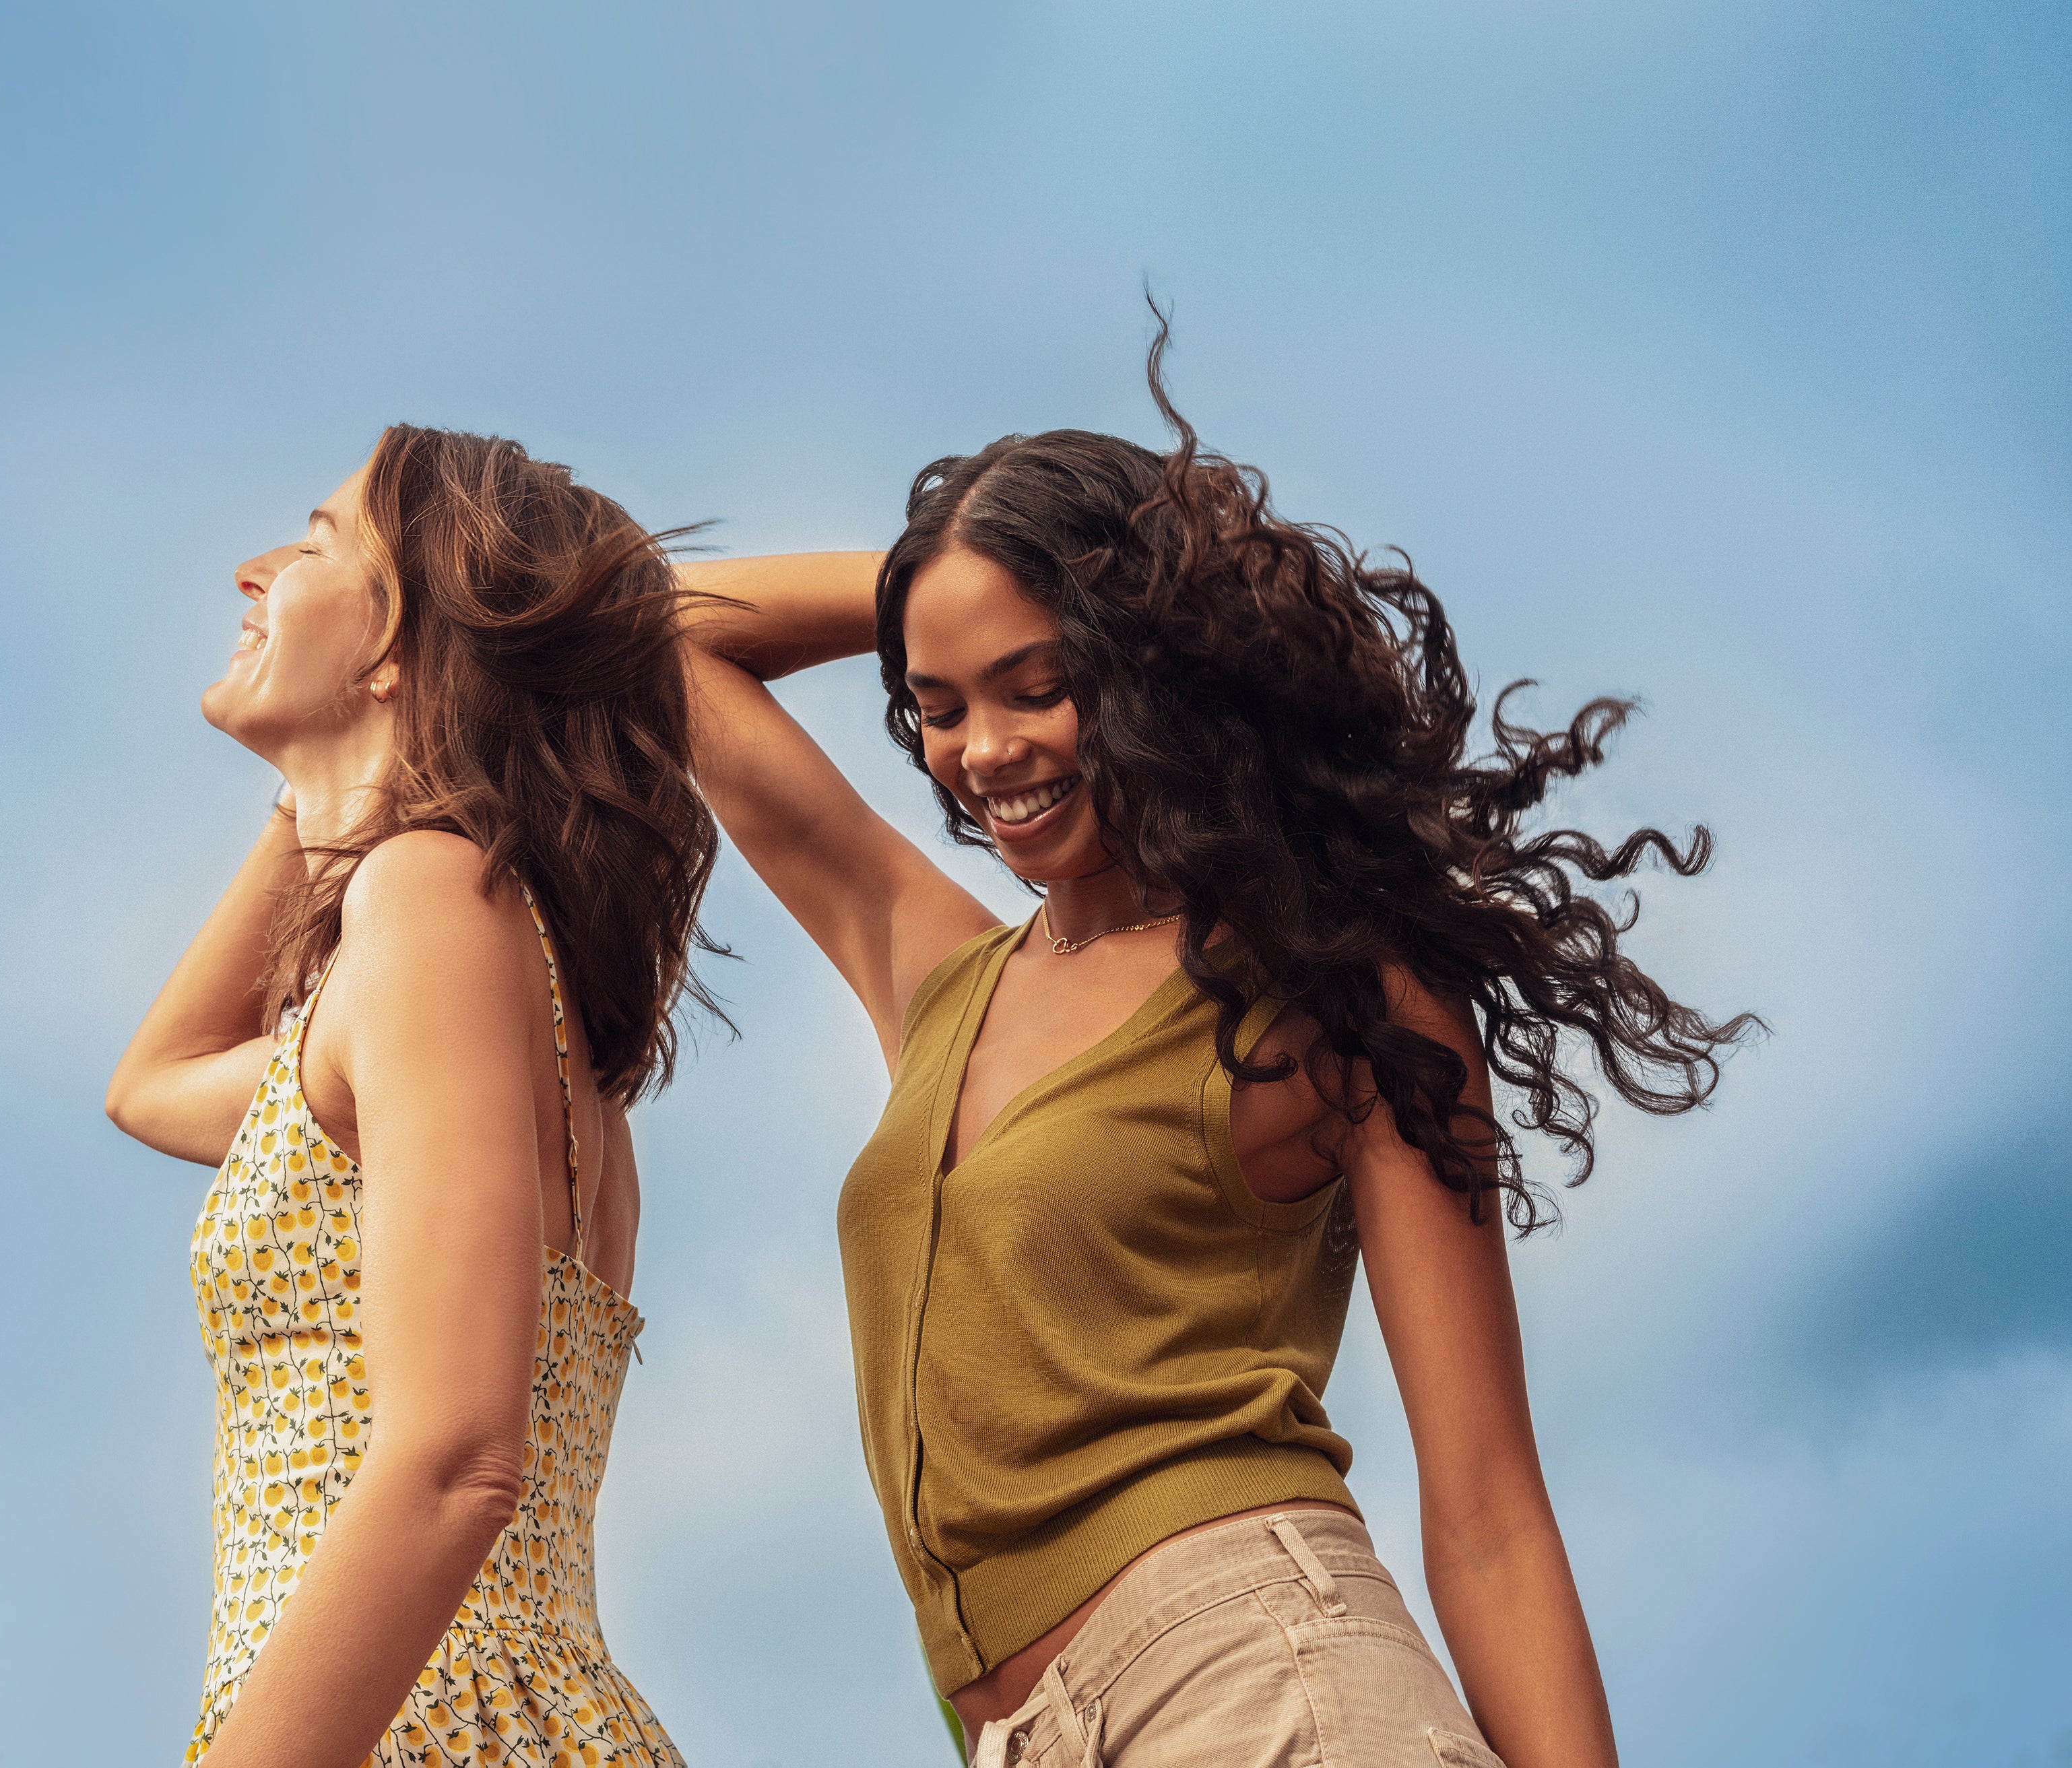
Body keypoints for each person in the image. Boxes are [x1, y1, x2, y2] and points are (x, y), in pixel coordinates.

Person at [680, 331, 1751, 1767]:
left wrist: (1115, 581)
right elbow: (653, 632)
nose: (980, 749)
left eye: (1034, 683)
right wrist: (939, 572)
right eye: (934, 706)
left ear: (1149, 666)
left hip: (1265, 1685)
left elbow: (1488, 1507)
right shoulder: (939, 972)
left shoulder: (1323, 991)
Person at [108, 425, 716, 1768]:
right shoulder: (444, 961)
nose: (253, 566)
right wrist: (330, 785)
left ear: (402, 647)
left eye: (316, 541)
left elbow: (454, 1460)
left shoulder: (436, 901)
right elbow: (152, 1084)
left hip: (419, 1719)